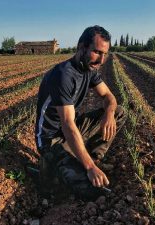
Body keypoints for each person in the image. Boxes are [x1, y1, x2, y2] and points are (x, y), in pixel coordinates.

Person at [34, 25, 127, 199]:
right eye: (97, 52)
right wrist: (89, 169)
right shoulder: (63, 75)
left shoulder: (89, 70)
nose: (101, 60)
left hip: (70, 130)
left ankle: (93, 158)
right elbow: (68, 124)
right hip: (51, 140)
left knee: (118, 112)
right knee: (92, 190)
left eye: (105, 54)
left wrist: (108, 114)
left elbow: (109, 96)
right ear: (81, 47)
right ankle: (52, 167)